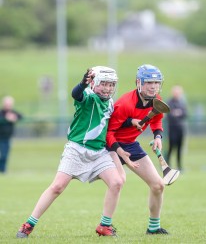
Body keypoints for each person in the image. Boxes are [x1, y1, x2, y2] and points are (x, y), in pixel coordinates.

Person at [16, 66, 139, 238]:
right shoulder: (88, 96)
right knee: (57, 187)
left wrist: (132, 121)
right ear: (94, 83)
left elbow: (111, 124)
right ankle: (28, 224)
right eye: (103, 83)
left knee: (117, 182)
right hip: (77, 149)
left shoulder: (110, 103)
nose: (108, 88)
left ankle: (105, 226)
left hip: (99, 152)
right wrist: (83, 83)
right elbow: (76, 94)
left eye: (111, 84)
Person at [106, 64, 168, 235]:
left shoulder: (156, 100)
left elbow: (156, 119)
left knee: (158, 185)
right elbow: (109, 133)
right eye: (149, 82)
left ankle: (153, 228)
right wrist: (120, 152)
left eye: (156, 82)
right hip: (111, 146)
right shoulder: (124, 104)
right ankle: (105, 225)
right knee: (117, 181)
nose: (153, 86)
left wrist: (157, 136)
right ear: (138, 83)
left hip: (131, 145)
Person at [165, 85, 187, 171]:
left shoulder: (182, 102)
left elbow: (185, 113)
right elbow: (169, 115)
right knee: (171, 147)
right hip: (172, 128)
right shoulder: (169, 102)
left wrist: (178, 113)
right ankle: (167, 164)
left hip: (180, 129)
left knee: (179, 148)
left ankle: (179, 166)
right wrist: (176, 113)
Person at [0, 96, 23, 173]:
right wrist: (6, 119)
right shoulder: (1, 113)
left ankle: (3, 170)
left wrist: (14, 117)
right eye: (7, 104)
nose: (8, 106)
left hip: (7, 137)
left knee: (5, 155)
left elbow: (21, 116)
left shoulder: (13, 112)